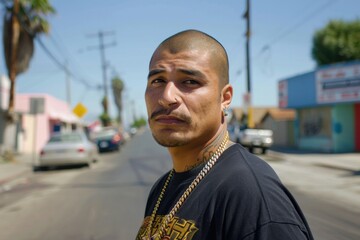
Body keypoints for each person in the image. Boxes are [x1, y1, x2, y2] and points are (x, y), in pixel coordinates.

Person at [136, 29, 314, 240]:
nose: (167, 97)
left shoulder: (251, 195)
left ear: (225, 97)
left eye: (189, 82)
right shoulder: (162, 188)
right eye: (157, 81)